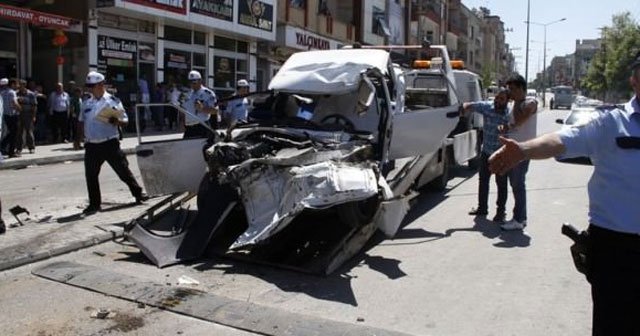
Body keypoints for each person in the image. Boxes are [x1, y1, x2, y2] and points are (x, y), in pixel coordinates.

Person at [489, 54, 640, 336]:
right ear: (634, 79)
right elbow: (562, 139)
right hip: (617, 251)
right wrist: (523, 150)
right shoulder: (610, 122)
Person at [79, 71, 148, 215]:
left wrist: (117, 121)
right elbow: (81, 121)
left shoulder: (113, 101)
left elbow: (125, 121)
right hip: (91, 145)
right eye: (89, 86)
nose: (90, 89)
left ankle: (138, 193)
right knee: (91, 176)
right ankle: (94, 204)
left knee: (123, 171)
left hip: (109, 143)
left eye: (93, 86)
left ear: (101, 85)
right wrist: (77, 138)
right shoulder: (86, 101)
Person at [462, 88, 511, 223]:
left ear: (507, 101)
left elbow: (516, 127)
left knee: (501, 184)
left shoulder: (510, 114)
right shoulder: (487, 107)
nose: (497, 100)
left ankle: (501, 212)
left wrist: (507, 127)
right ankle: (482, 208)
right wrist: (465, 107)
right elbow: (471, 105)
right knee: (483, 181)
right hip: (486, 152)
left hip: (501, 154)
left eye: (501, 99)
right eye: (497, 97)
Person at [499, 74, 538, 230]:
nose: (511, 93)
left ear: (522, 88)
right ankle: (520, 217)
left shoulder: (529, 102)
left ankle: (519, 219)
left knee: (518, 183)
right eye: (510, 89)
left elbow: (521, 120)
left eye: (513, 89)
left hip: (522, 150)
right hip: (514, 149)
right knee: (515, 183)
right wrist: (505, 128)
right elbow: (513, 124)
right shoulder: (515, 104)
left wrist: (515, 102)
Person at [182, 70, 218, 139]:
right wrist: (182, 123)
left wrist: (202, 109)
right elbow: (183, 109)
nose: (192, 84)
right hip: (189, 127)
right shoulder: (187, 94)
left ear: (200, 81)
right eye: (190, 82)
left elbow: (215, 110)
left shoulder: (207, 93)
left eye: (194, 82)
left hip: (202, 126)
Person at [1, 78, 22, 158]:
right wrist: (20, 108)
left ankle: (5, 147)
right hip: (13, 116)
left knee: (12, 133)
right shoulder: (12, 92)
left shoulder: (3, 92)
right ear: (12, 84)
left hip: (6, 115)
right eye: (16, 84)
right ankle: (10, 152)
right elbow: (14, 103)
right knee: (14, 134)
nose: (18, 85)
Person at [16, 79, 37, 154]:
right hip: (19, 114)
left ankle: (31, 147)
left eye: (21, 84)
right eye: (19, 85)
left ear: (25, 85)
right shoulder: (17, 93)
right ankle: (19, 148)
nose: (19, 86)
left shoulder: (30, 94)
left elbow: (34, 105)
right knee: (19, 132)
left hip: (28, 114)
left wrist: (34, 116)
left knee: (29, 131)